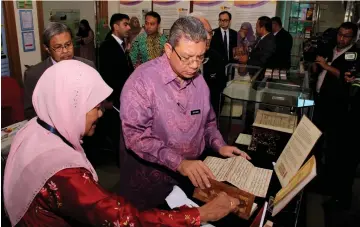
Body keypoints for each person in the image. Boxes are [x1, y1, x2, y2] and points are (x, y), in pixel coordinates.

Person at [3, 60, 240, 227]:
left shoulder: (35, 127)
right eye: (95, 107)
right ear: (69, 107)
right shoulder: (64, 173)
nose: (100, 114)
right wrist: (200, 214)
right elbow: (124, 220)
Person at [119, 16, 251, 210]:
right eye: (187, 57)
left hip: (189, 182)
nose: (195, 65)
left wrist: (219, 145)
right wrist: (180, 163)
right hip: (150, 188)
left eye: (200, 57)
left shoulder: (199, 82)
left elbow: (208, 123)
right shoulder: (141, 82)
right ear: (168, 50)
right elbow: (136, 137)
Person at [311, 22, 360, 210]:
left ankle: (334, 190)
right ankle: (317, 178)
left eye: (346, 36)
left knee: (334, 149)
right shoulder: (330, 49)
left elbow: (346, 77)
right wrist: (317, 66)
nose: (341, 38)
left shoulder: (354, 54)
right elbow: (318, 69)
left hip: (339, 109)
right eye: (340, 34)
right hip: (320, 101)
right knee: (318, 142)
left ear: (353, 38)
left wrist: (326, 66)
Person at [23, 22, 95, 120]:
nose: (65, 51)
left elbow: (99, 102)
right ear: (47, 48)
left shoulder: (88, 66)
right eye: (58, 47)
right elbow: (30, 112)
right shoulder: (34, 75)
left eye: (68, 44)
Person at [99, 13, 134, 160]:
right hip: (114, 97)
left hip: (123, 94)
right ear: (115, 26)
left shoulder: (121, 44)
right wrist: (109, 98)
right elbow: (107, 75)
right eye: (125, 24)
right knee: (116, 130)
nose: (128, 27)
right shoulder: (107, 45)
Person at [189, 12, 227, 117]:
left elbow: (220, 88)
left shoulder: (216, 58)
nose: (209, 37)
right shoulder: (176, 59)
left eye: (210, 33)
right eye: (204, 32)